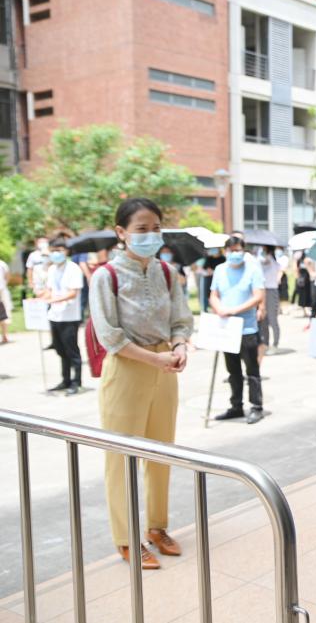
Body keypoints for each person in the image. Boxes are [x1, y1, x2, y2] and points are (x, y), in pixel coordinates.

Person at [89, 197, 193, 569]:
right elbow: (109, 335)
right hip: (127, 369)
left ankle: (157, 527)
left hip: (165, 367)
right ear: (121, 232)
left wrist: (179, 345)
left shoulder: (167, 271)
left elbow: (181, 318)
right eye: (141, 229)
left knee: (162, 452)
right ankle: (126, 539)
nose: (150, 235)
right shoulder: (106, 276)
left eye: (155, 228)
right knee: (121, 458)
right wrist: (155, 359)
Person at [209, 236, 266, 424]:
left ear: (244, 251)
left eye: (238, 250)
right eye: (231, 250)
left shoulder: (252, 269)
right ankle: (236, 406)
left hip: (247, 328)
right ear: (225, 251)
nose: (235, 254)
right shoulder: (220, 269)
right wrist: (219, 308)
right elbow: (214, 294)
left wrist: (235, 310)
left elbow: (258, 296)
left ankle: (256, 406)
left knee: (252, 370)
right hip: (227, 328)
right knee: (233, 371)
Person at [40, 237, 85, 394]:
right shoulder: (52, 269)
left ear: (66, 251)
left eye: (59, 250)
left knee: (71, 350)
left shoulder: (74, 269)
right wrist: (41, 297)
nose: (56, 254)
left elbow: (73, 293)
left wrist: (54, 299)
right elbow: (49, 290)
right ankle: (65, 380)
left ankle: (76, 381)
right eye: (53, 251)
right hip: (54, 315)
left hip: (69, 316)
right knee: (60, 349)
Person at [256, 245, 282, 357]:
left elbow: (265, 261)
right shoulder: (261, 259)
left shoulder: (271, 260)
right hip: (262, 290)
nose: (261, 251)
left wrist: (264, 256)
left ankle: (275, 344)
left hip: (271, 291)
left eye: (263, 249)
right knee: (263, 321)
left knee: (272, 319)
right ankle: (265, 344)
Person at [199, 248, 225, 313]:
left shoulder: (223, 259)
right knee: (208, 294)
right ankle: (206, 308)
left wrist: (213, 272)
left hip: (220, 279)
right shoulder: (209, 258)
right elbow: (205, 268)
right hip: (209, 279)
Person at [0, 255, 12, 344]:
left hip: (2, 291)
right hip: (2, 290)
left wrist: (4, 285)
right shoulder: (2, 264)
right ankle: (4, 335)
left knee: (4, 315)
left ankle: (5, 335)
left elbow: (7, 276)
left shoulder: (2, 264)